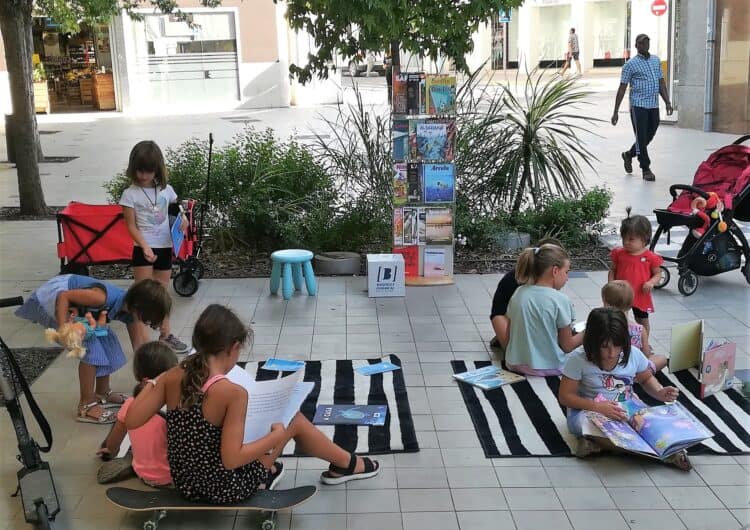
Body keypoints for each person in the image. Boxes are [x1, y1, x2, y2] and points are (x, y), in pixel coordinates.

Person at [125, 305, 380, 504]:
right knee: (292, 421)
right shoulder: (231, 392)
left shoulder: (172, 377)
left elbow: (133, 419)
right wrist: (276, 438)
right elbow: (232, 459)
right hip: (225, 489)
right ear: (234, 347)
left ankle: (345, 464)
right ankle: (347, 464)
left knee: (283, 423)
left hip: (187, 484)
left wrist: (160, 378)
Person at [15, 275, 172, 423]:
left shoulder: (130, 311)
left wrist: (150, 380)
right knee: (92, 351)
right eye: (149, 319)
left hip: (82, 312)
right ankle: (85, 405)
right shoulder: (101, 297)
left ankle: (102, 392)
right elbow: (64, 296)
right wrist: (65, 328)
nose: (147, 324)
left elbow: (139, 348)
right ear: (139, 307)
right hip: (56, 300)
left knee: (109, 343)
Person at [558, 308, 690, 470]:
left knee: (655, 423)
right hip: (589, 411)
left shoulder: (633, 354)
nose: (612, 353)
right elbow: (565, 396)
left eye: (617, 346)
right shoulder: (578, 359)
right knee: (594, 428)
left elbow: (646, 378)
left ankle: (599, 445)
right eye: (605, 347)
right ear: (592, 342)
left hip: (628, 407)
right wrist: (597, 407)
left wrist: (659, 392)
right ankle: (666, 455)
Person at [120, 140, 189, 354]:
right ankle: (144, 343)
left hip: (165, 247)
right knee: (143, 297)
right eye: (139, 170)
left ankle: (166, 334)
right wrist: (144, 246)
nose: (143, 176)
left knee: (162, 294)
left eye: (148, 171)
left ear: (156, 169)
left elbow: (178, 208)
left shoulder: (166, 190)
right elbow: (131, 226)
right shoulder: (130, 194)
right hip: (143, 248)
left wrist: (183, 218)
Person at [96, 341, 177, 486]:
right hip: (173, 477)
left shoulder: (130, 404)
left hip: (142, 472)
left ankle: (135, 461)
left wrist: (109, 450)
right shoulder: (174, 405)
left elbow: (113, 443)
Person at [503, 244, 583, 375]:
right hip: (551, 367)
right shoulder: (561, 300)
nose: (567, 278)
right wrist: (587, 333)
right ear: (555, 271)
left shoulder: (518, 293)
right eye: (566, 272)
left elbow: (509, 336)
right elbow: (567, 346)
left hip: (514, 364)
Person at [611, 34, 673, 182]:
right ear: (636, 45)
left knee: (649, 135)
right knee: (641, 136)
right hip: (638, 105)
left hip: (653, 105)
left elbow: (661, 83)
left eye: (646, 42)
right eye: (641, 43)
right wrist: (615, 111)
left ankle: (628, 154)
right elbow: (622, 88)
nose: (644, 45)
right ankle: (645, 168)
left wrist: (668, 102)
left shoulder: (655, 61)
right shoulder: (630, 65)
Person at [489, 237, 563, 350]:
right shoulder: (518, 279)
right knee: (516, 350)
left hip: (523, 320)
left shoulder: (547, 280)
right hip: (505, 317)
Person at [609, 208, 662, 341]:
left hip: (640, 294)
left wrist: (650, 282)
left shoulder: (651, 257)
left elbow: (657, 274)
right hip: (621, 293)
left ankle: (643, 342)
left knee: (642, 320)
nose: (627, 242)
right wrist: (611, 284)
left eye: (631, 239)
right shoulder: (618, 253)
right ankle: (621, 340)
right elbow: (612, 270)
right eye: (624, 239)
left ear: (644, 240)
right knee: (619, 318)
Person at [601, 280, 667, 372]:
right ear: (631, 304)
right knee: (662, 358)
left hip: (607, 368)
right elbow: (645, 356)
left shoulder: (602, 326)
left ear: (606, 303)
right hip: (634, 372)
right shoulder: (639, 329)